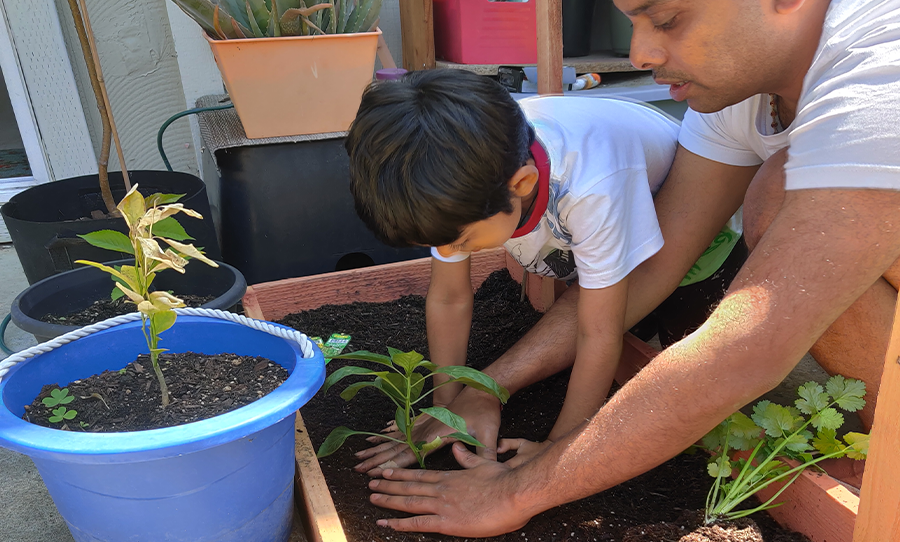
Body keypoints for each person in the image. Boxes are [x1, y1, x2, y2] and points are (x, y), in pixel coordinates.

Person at [359, 0, 900, 536]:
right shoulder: (735, 93)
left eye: (665, 19)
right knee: (781, 198)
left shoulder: (881, 69)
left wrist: (526, 485)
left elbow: (750, 342)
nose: (640, 53)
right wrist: (483, 389)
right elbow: (650, 272)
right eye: (631, 23)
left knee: (781, 196)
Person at [345, 68, 744, 470]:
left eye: (462, 242)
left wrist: (558, 451)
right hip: (598, 252)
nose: (450, 251)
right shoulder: (459, 171)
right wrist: (449, 410)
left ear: (521, 184)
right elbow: (448, 297)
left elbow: (598, 333)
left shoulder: (592, 189)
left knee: (688, 368)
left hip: (702, 251)